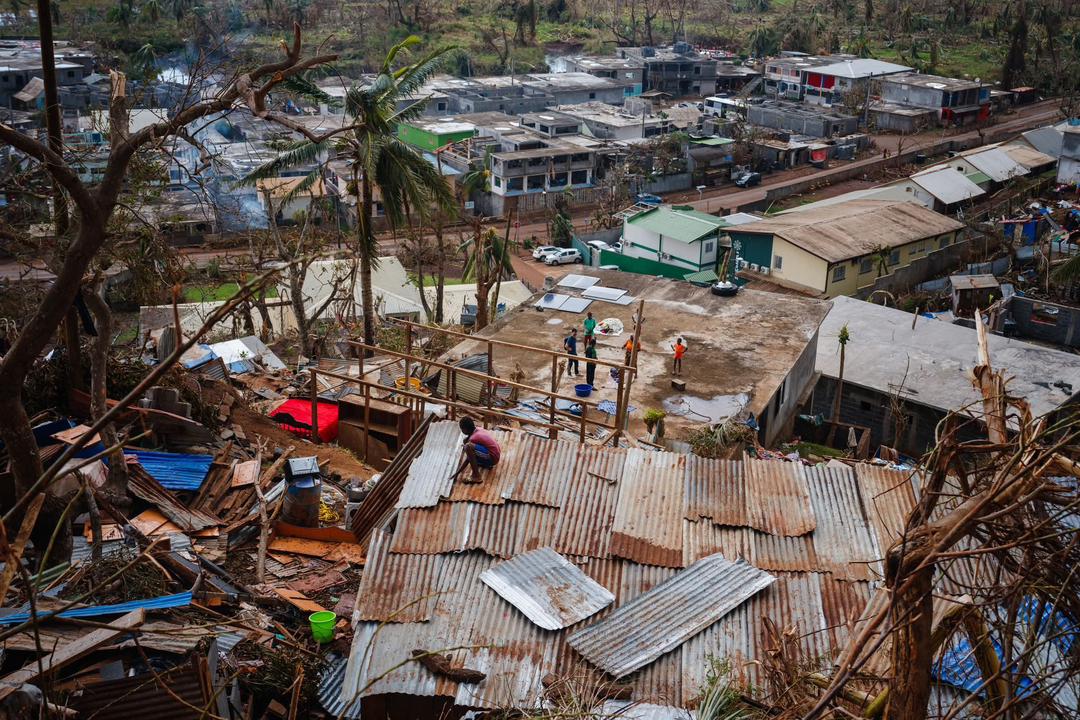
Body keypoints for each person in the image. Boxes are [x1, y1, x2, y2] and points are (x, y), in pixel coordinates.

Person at [451, 417, 501, 484]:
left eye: (462, 429)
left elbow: (468, 458)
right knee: (468, 445)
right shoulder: (478, 429)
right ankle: (485, 464)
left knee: (467, 447)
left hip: (493, 458)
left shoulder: (473, 438)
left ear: (465, 429)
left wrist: (458, 472)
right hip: (496, 454)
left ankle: (476, 476)